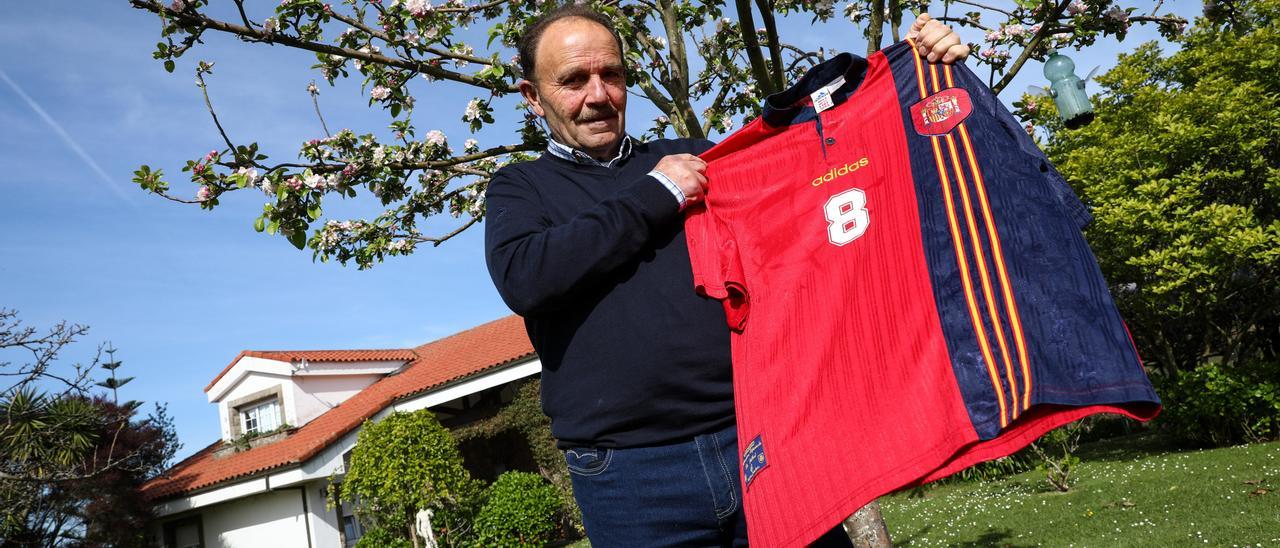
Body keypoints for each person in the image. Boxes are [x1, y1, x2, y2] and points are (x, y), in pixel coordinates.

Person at [484, 6, 970, 545]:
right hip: (631, 479)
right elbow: (526, 277)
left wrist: (908, 73)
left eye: (612, 75)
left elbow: (812, 151)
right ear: (533, 96)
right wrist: (656, 194)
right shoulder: (520, 188)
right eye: (574, 80)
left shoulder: (697, 158)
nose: (598, 95)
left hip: (763, 443)